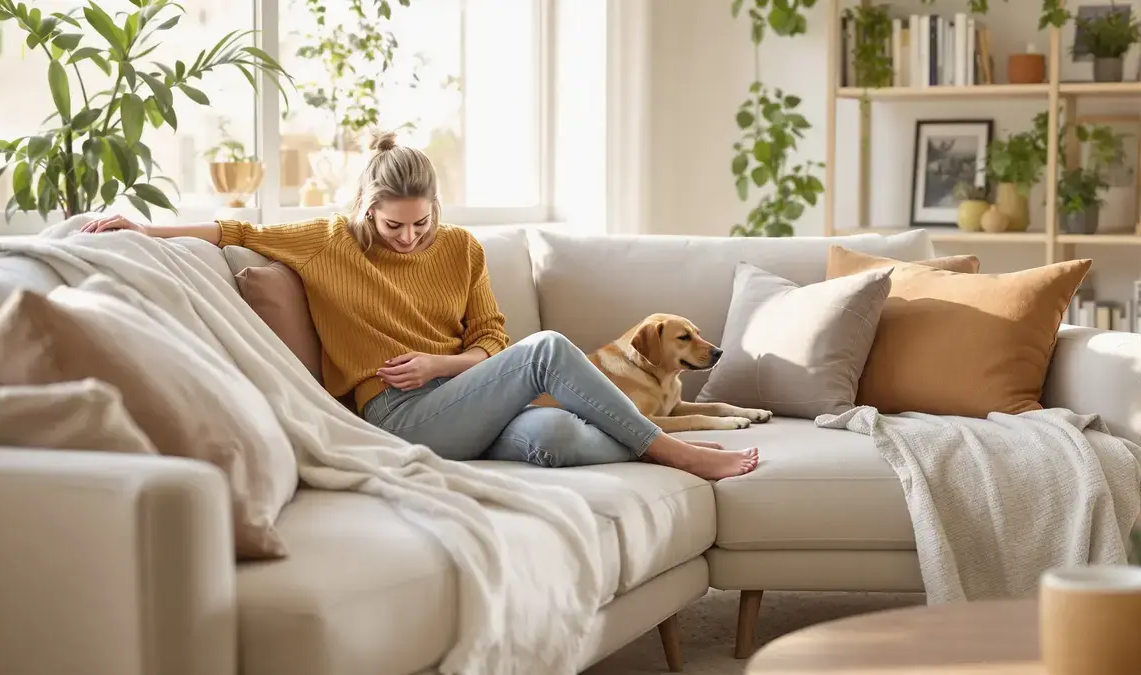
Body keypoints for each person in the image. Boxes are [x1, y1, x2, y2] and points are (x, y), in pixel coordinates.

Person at [81, 131, 759, 480]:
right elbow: (233, 231)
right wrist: (145, 230)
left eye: (419, 223)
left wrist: (440, 364)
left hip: (455, 399)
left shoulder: (460, 248)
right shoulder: (325, 241)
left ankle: (643, 442)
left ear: (436, 206)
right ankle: (676, 450)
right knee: (549, 347)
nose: (408, 238)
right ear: (366, 209)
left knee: (553, 438)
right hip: (393, 415)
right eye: (393, 225)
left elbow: (492, 339)